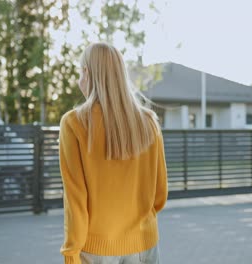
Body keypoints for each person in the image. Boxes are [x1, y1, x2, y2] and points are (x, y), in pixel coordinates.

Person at [58, 42, 168, 264]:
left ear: (88, 74)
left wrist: (71, 255)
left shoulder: (74, 123)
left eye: (81, 71)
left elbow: (75, 200)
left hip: (97, 249)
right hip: (145, 245)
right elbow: (160, 193)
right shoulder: (148, 122)